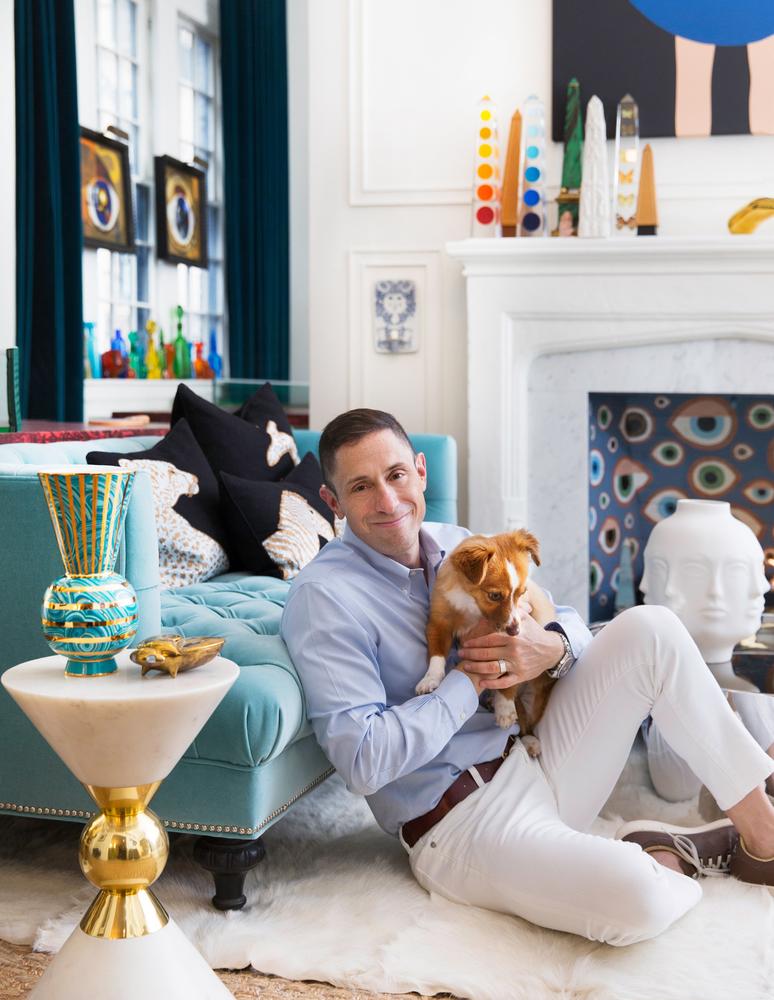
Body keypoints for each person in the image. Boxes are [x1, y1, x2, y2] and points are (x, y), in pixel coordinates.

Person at [280, 408, 774, 946]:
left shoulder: (462, 545)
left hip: (537, 754)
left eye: (396, 475)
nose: (387, 500)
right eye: (361, 486)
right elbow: (362, 762)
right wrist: (470, 679)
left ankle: (763, 837)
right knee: (639, 898)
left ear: (421, 471)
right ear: (333, 502)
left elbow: (567, 620)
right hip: (460, 822)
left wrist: (551, 649)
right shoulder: (325, 598)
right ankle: (669, 855)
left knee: (652, 628)